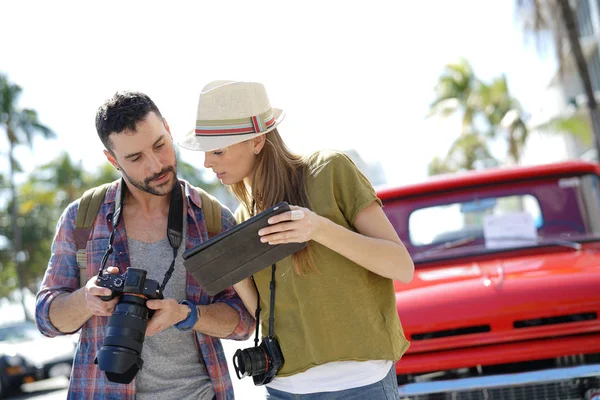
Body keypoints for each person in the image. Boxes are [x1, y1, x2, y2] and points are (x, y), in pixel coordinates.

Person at [178, 80, 414, 399]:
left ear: (258, 140)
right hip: (283, 389)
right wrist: (229, 270)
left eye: (218, 150)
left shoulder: (329, 171)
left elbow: (401, 267)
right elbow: (264, 311)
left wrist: (318, 228)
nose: (207, 163)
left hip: (359, 384)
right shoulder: (243, 216)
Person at [35, 91, 255, 400]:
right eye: (136, 158)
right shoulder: (81, 218)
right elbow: (47, 318)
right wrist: (87, 299)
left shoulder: (212, 219)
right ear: (112, 160)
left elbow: (244, 321)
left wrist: (186, 314)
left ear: (167, 128)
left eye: (160, 145)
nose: (156, 165)